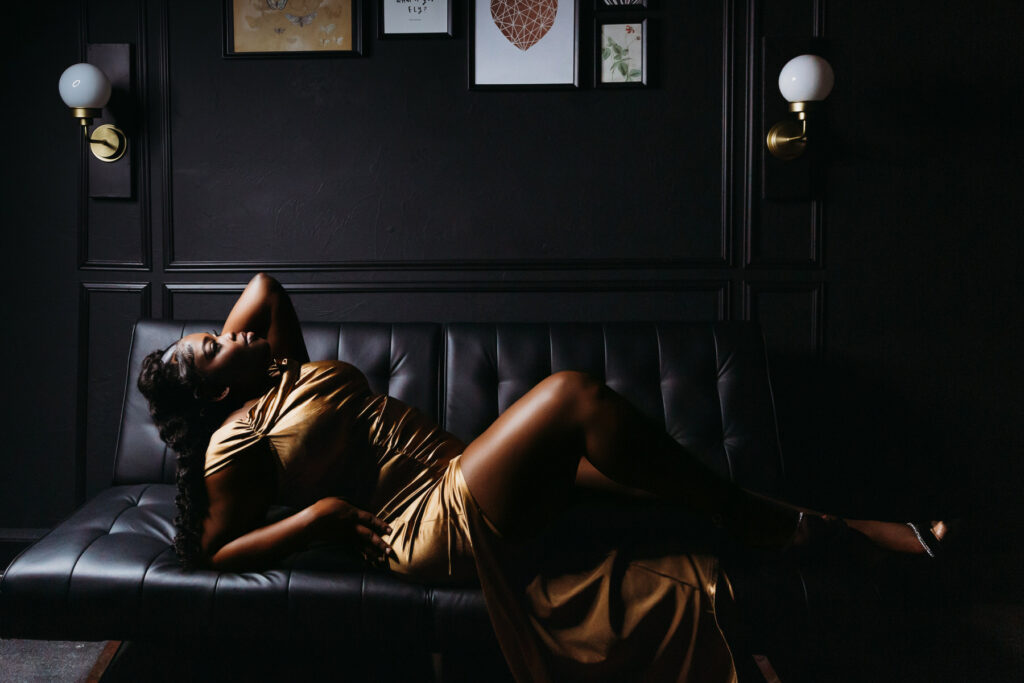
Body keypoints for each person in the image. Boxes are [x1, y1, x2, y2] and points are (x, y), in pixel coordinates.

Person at [137, 273, 947, 682]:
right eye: (210, 344)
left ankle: (833, 531)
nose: (222, 329)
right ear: (214, 393)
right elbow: (213, 549)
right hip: (426, 525)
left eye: (214, 331)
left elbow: (264, 284)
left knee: (656, 494)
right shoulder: (232, 442)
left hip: (462, 473)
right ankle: (779, 526)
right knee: (569, 396)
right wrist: (312, 520)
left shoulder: (286, 369)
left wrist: (224, 357)